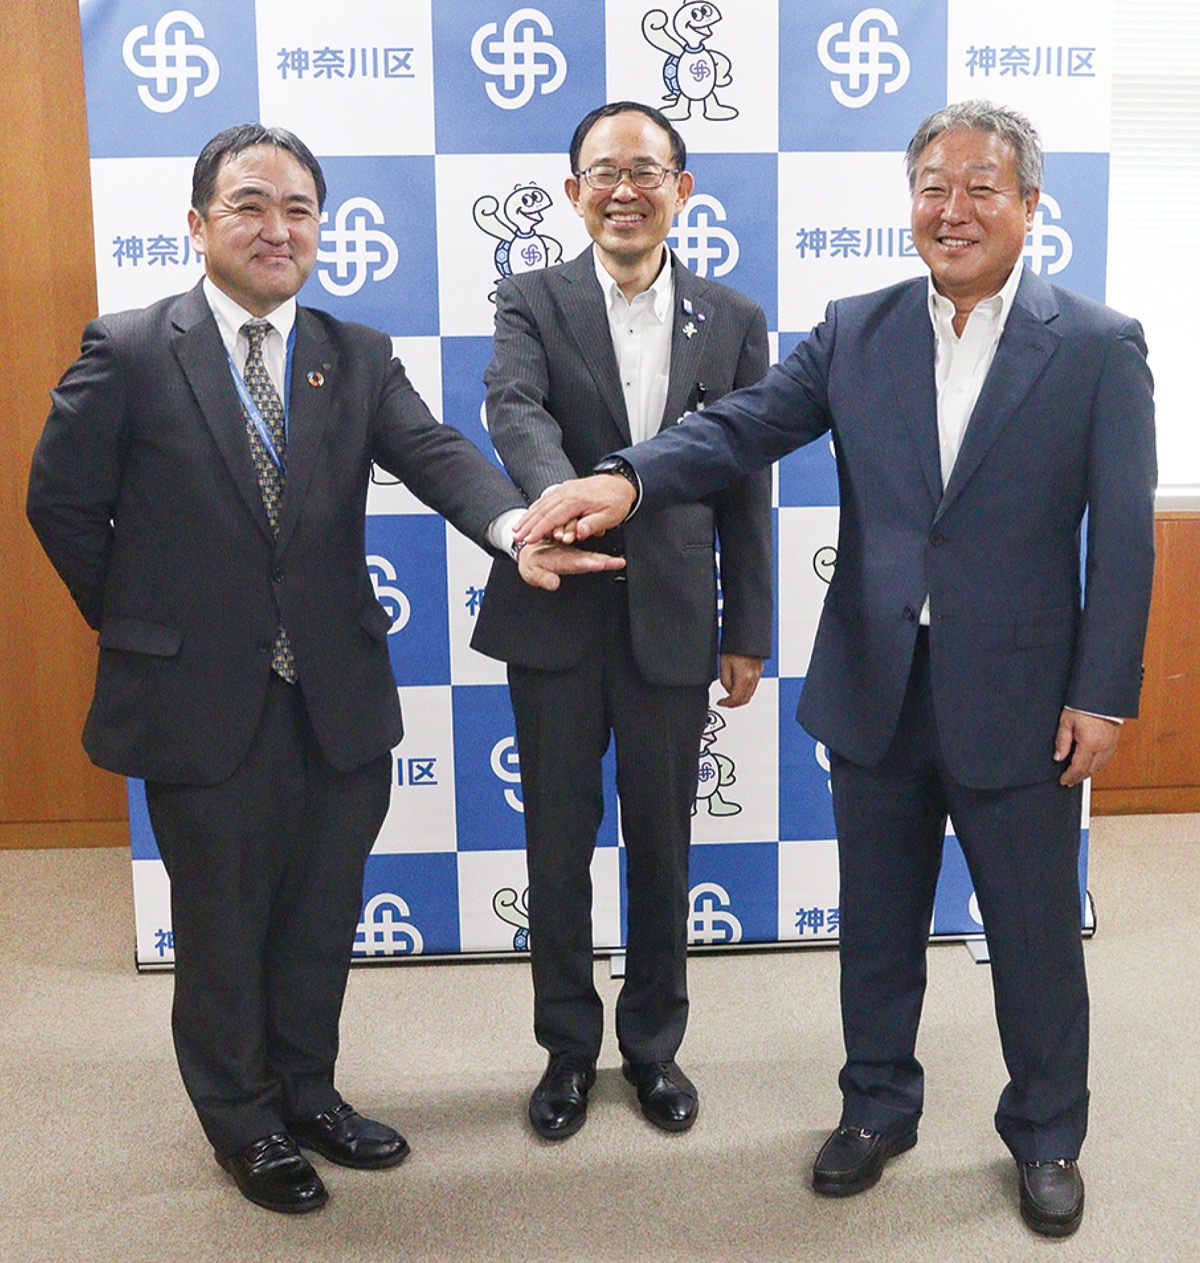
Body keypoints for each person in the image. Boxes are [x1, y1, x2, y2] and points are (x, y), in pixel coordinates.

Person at [514, 100, 1156, 1237]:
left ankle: (1047, 1132)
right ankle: (876, 1107)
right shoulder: (858, 329)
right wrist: (628, 478)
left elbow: (1125, 540)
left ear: (1029, 204)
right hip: (876, 684)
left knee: (1036, 935)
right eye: (932, 188)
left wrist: (1101, 692)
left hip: (1022, 696)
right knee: (877, 922)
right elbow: (741, 427)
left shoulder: (1099, 344)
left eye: (981, 188)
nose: (952, 210)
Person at [26, 123, 618, 1215]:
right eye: (250, 205)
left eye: (298, 208)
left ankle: (306, 1092)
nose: (277, 227)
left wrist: (513, 529)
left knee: (318, 914)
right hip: (198, 700)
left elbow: (435, 454)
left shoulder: (354, 353)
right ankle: (242, 1121)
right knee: (221, 926)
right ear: (198, 223)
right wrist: (141, 621)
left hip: (335, 696)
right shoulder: (131, 350)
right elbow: (59, 503)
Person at [471, 101, 773, 1140]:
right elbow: (514, 410)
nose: (624, 190)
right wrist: (567, 502)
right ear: (574, 192)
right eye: (603, 172)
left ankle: (652, 1047)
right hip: (554, 610)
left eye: (646, 171)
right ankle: (566, 1050)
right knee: (557, 847)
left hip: (675, 623)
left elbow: (745, 477)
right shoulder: (529, 298)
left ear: (681, 190)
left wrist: (748, 626)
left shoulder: (732, 318)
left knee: (663, 846)